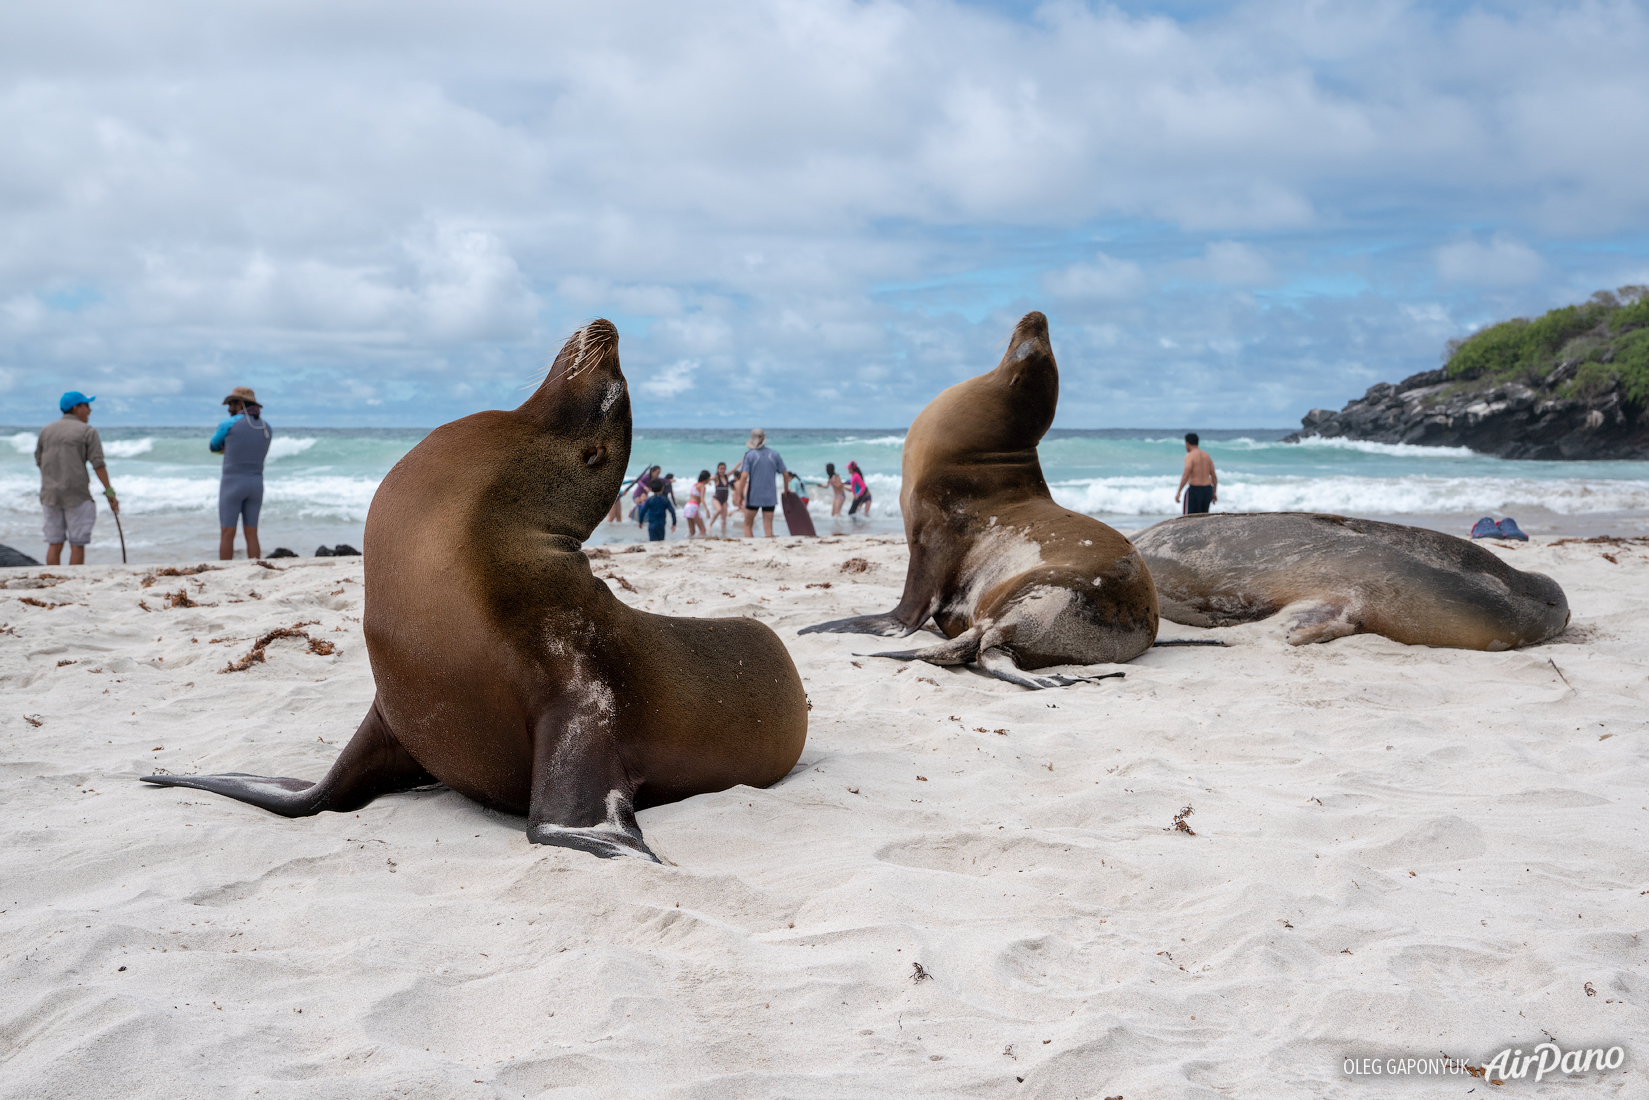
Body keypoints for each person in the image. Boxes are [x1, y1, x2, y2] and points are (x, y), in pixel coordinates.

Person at [35, 391, 119, 566]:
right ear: (76, 407)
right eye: (87, 405)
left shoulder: (46, 430)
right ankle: (72, 580)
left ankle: (54, 581)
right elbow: (98, 465)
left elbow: (39, 460)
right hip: (77, 495)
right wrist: (110, 492)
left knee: (55, 543)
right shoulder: (87, 431)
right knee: (77, 544)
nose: (90, 410)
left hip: (49, 495)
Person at [210, 386, 273, 560]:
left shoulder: (228, 424)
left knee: (227, 531)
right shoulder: (267, 427)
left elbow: (213, 446)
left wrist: (225, 449)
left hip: (232, 484)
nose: (228, 408)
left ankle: (224, 570)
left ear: (240, 404)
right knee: (252, 533)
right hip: (256, 484)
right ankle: (255, 566)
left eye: (231, 403)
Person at [737, 429, 792, 538]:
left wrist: (739, 495)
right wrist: (786, 489)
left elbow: (743, 476)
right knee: (768, 526)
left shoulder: (749, 455)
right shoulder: (774, 454)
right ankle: (769, 548)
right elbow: (785, 474)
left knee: (747, 524)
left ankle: (750, 547)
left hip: (754, 495)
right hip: (770, 496)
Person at [1175, 432, 1217, 514]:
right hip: (1208, 490)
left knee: (1189, 519)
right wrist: (1214, 492)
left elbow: (1186, 474)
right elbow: (1214, 476)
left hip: (1195, 490)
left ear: (1187, 443)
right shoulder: (1207, 455)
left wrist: (1179, 491)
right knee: (1203, 518)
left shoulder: (1190, 455)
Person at [636, 476, 676, 542]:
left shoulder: (650, 499)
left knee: (653, 541)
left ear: (651, 489)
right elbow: (672, 511)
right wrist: (674, 523)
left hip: (652, 524)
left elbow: (643, 511)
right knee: (661, 541)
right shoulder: (665, 499)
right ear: (662, 488)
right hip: (661, 524)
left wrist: (640, 522)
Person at [685, 470, 712, 538]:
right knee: (703, 530)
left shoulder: (695, 485)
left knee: (692, 531)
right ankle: (701, 543)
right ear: (707, 478)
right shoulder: (702, 486)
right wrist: (707, 509)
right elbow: (702, 499)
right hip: (694, 506)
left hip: (688, 506)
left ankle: (687, 541)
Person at [710, 462, 731, 536]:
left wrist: (742, 461)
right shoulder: (716, 477)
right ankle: (710, 525)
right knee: (719, 510)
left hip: (724, 501)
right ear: (718, 469)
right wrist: (708, 481)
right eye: (721, 469)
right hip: (716, 499)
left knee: (724, 519)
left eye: (724, 469)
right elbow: (709, 478)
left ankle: (723, 534)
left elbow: (734, 469)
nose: (722, 470)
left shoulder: (726, 477)